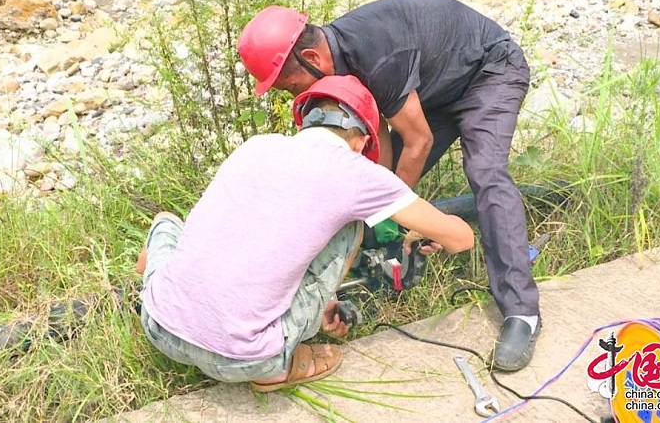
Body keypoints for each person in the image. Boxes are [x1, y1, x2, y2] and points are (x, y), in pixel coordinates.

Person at [237, 0, 541, 372]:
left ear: (311, 59)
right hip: (438, 85)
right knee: (383, 191)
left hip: (488, 71)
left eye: (291, 85)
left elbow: (419, 141)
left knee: (486, 172)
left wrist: (389, 216)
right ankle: (380, 256)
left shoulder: (375, 56)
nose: (297, 95)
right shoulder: (340, 62)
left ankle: (522, 313)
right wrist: (377, 210)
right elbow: (377, 137)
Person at [134, 74, 475, 392]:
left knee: (167, 222)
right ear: (361, 143)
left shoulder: (257, 146)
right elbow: (461, 239)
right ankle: (278, 369)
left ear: (306, 120)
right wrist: (425, 231)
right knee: (350, 224)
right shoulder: (356, 173)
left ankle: (161, 288)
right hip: (245, 358)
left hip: (159, 328)